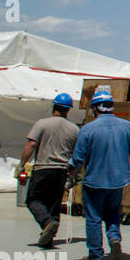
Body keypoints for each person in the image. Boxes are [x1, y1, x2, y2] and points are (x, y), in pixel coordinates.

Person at [69, 89, 130, 260]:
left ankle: (96, 255)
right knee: (112, 213)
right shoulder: (127, 126)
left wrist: (71, 178)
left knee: (94, 218)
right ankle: (114, 239)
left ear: (95, 108)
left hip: (94, 182)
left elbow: (77, 159)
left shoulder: (88, 129)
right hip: (118, 182)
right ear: (111, 107)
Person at [17, 92, 80, 248]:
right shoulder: (74, 129)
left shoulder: (42, 124)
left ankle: (47, 223)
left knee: (33, 200)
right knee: (53, 204)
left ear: (54, 106)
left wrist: (21, 165)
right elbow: (77, 155)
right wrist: (72, 175)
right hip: (61, 171)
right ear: (68, 110)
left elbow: (31, 145)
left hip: (43, 169)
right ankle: (48, 237)